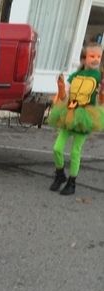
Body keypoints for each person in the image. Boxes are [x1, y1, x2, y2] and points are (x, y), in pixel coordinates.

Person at [47, 43, 104, 196]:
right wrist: (60, 88)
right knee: (57, 148)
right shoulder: (74, 76)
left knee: (75, 151)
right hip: (70, 112)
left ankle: (72, 182)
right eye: (92, 56)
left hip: (86, 116)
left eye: (99, 56)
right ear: (84, 59)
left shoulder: (100, 77)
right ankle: (60, 175)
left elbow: (101, 99)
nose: (96, 60)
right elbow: (65, 96)